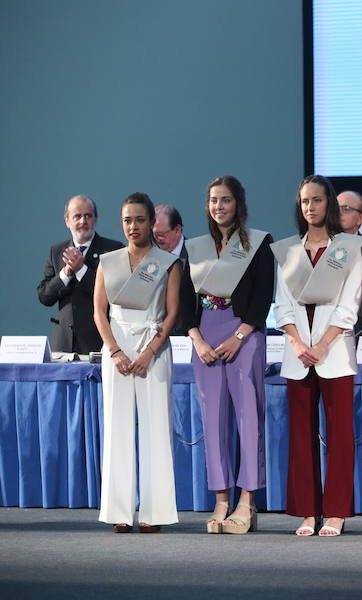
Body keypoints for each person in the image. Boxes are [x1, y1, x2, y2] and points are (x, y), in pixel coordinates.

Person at [272, 175, 362, 537]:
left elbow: (350, 305)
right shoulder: (288, 251)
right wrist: (297, 344)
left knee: (340, 435)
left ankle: (337, 511)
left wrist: (323, 344)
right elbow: (283, 305)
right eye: (304, 201)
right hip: (299, 354)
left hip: (335, 351)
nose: (310, 207)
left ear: (329, 203)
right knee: (301, 435)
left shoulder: (350, 248)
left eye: (316, 200)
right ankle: (308, 511)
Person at [181, 175, 274, 534]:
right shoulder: (195, 247)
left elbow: (263, 297)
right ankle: (221, 500)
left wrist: (240, 335)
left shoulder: (258, 244)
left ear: (239, 204)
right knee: (214, 421)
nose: (219, 206)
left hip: (244, 335)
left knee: (248, 420)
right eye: (213, 200)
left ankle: (246, 502)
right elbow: (187, 299)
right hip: (205, 337)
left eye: (226, 200)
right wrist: (196, 339)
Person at [94, 193, 181, 533]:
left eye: (140, 220)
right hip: (116, 351)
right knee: (116, 429)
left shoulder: (168, 261)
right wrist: (115, 350)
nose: (133, 226)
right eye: (128, 220)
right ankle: (118, 510)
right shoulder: (108, 261)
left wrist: (148, 353)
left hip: (153, 350)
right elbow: (99, 312)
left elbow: (172, 312)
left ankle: (155, 512)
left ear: (151, 223)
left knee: (156, 429)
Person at [38, 195, 123, 354]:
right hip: (64, 343)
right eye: (77, 216)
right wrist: (66, 272)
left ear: (95, 219)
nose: (83, 221)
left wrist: (81, 269)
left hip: (99, 341)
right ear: (67, 221)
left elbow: (114, 294)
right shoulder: (56, 252)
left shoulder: (114, 250)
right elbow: (45, 296)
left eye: (88, 216)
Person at [338, 190, 362, 336]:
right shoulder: (320, 248)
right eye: (335, 208)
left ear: (360, 218)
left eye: (346, 209)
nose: (338, 212)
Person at [154, 204, 189, 335]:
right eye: (152, 234)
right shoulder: (147, 257)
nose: (156, 240)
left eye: (161, 234)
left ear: (177, 230)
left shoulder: (197, 256)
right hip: (154, 336)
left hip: (187, 338)